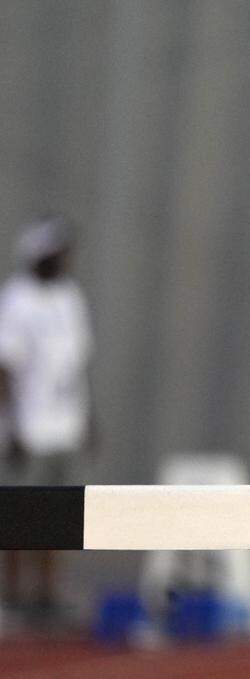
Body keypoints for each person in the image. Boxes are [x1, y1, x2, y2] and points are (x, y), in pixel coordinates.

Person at [0, 216, 94, 623]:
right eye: (57, 253)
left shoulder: (69, 297)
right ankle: (12, 594)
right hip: (30, 428)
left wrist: (90, 418)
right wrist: (11, 426)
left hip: (64, 424)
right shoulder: (17, 299)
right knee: (20, 512)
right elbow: (5, 367)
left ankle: (48, 592)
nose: (65, 260)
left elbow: (77, 365)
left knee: (61, 513)